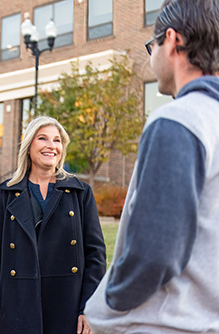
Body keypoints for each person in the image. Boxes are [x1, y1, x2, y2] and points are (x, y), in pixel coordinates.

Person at [84, 1, 219, 333]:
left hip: (165, 323)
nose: (150, 56)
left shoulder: (180, 119)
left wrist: (110, 299)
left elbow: (154, 252)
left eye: (151, 45)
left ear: (172, 41)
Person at [0, 116, 106, 334]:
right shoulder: (6, 194)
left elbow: (96, 256)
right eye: (43, 138)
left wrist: (89, 308)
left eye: (57, 140)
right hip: (18, 303)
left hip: (68, 305)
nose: (51, 146)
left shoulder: (80, 193)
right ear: (28, 146)